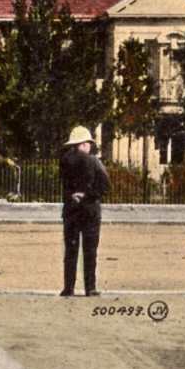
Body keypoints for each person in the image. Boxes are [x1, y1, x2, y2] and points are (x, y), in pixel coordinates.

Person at [59, 125, 109, 297]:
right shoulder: (94, 161)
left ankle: (68, 288)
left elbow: (64, 187)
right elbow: (104, 186)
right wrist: (86, 195)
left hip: (71, 210)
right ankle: (90, 287)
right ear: (85, 144)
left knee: (71, 251)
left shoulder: (65, 161)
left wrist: (74, 196)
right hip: (90, 211)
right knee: (90, 251)